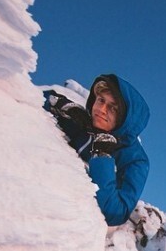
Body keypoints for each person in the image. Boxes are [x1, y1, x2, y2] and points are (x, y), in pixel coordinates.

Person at [44, 74, 150, 226]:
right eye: (101, 100)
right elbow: (28, 96)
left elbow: (115, 213)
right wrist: (59, 104)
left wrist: (102, 156)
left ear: (125, 119)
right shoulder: (87, 124)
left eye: (112, 108)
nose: (101, 109)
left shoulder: (135, 160)